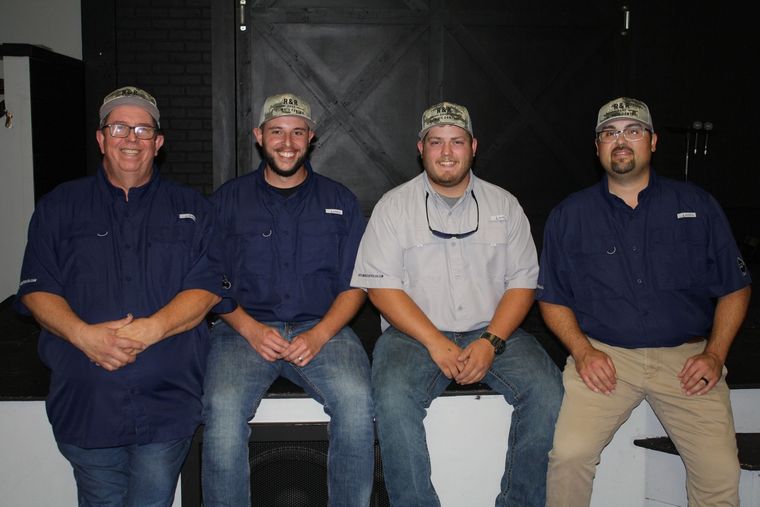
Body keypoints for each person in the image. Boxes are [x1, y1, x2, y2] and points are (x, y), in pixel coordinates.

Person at [537, 97, 752, 506]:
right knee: (569, 456)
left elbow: (735, 287)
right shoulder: (571, 214)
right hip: (604, 357)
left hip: (687, 361)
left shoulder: (697, 205)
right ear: (597, 146)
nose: (621, 141)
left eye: (632, 131)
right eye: (609, 133)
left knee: (721, 472)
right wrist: (582, 352)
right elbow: (552, 298)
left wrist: (714, 354)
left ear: (652, 142)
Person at [15, 86, 223, 506]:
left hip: (167, 406)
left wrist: (148, 332)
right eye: (120, 127)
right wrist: (84, 335)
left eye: (143, 129)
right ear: (101, 137)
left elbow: (207, 289)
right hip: (87, 405)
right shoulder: (59, 207)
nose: (132, 138)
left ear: (158, 143)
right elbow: (37, 289)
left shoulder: (194, 208)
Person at [351, 101, 563, 506]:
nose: (446, 152)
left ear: (473, 146)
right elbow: (381, 289)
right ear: (421, 148)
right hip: (413, 335)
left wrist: (490, 342)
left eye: (456, 142)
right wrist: (435, 341)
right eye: (436, 142)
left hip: (494, 329)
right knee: (392, 399)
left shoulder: (505, 206)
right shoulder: (393, 207)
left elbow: (522, 284)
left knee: (549, 393)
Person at [201, 92, 375, 506]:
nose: (287, 142)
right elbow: (207, 277)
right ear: (259, 136)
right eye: (277, 131)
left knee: (358, 405)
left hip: (325, 331)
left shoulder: (340, 201)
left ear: (311, 138)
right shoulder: (228, 200)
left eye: (298, 132)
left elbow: (358, 283)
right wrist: (248, 328)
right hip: (241, 332)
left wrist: (319, 336)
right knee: (221, 414)